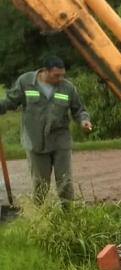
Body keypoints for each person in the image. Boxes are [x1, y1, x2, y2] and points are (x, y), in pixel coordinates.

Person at [0, 56, 92, 207]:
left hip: (60, 140)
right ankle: (40, 215)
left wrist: (84, 120)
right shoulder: (26, 82)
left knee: (65, 181)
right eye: (56, 75)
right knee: (40, 183)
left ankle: (68, 215)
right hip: (35, 141)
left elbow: (79, 110)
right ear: (44, 71)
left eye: (62, 75)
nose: (60, 78)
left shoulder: (67, 88)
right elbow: (10, 101)